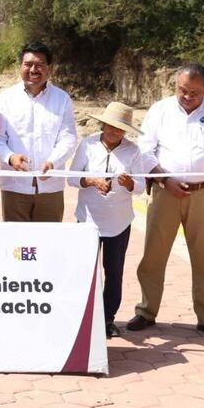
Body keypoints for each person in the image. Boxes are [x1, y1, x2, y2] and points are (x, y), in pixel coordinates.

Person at [128, 62, 204, 341]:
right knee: (154, 254)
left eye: (194, 92)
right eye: (182, 90)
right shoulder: (160, 110)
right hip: (166, 191)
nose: (187, 96)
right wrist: (164, 179)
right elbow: (145, 150)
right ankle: (146, 310)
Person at [68, 102, 145, 338]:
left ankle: (107, 318)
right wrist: (91, 181)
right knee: (86, 270)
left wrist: (128, 183)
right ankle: (83, 316)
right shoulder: (88, 144)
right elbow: (71, 178)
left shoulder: (133, 151)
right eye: (111, 126)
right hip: (88, 218)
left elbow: (140, 187)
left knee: (114, 271)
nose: (114, 132)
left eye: (120, 129)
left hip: (118, 221)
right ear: (103, 124)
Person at [0, 42, 78, 222]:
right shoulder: (6, 98)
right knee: (16, 245)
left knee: (48, 243)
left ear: (49, 68)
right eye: (28, 64)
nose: (33, 69)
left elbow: (68, 139)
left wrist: (52, 162)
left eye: (40, 65)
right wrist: (10, 157)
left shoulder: (62, 99)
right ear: (20, 66)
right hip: (14, 186)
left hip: (50, 186)